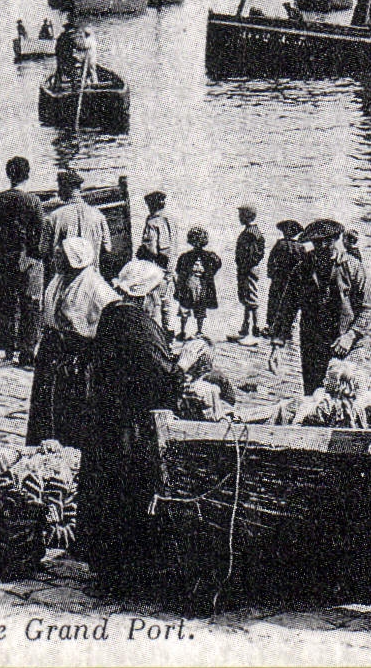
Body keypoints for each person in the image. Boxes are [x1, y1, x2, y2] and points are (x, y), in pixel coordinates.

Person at [76, 258, 185, 595]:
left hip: (106, 418)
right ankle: (127, 574)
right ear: (145, 294)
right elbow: (159, 380)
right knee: (129, 492)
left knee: (105, 490)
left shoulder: (113, 314)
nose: (162, 300)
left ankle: (107, 566)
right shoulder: (137, 324)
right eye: (159, 293)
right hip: (129, 424)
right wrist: (184, 367)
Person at [26, 235, 117, 448]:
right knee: (44, 402)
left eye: (59, 256)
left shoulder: (95, 286)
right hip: (52, 348)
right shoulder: (58, 280)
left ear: (73, 259)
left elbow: (111, 315)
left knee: (70, 406)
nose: (54, 259)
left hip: (77, 352)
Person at [289, 219, 362, 396]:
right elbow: (288, 305)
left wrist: (351, 335)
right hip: (312, 341)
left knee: (342, 392)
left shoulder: (352, 266)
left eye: (327, 241)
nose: (321, 246)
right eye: (316, 242)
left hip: (343, 341)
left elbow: (369, 308)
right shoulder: (302, 268)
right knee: (313, 393)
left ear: (336, 239)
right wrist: (278, 343)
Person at [0, 156, 45, 367]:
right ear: (27, 174)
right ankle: (27, 351)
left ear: (8, 174)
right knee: (31, 305)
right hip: (29, 258)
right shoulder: (33, 201)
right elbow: (40, 231)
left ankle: (8, 349)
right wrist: (37, 252)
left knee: (8, 303)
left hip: (5, 256)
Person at [40, 170, 111, 287]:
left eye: (60, 187)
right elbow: (107, 248)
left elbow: (43, 250)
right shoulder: (98, 215)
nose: (58, 192)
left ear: (65, 189)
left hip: (65, 282)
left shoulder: (53, 217)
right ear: (79, 189)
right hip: (92, 278)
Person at [276, 358, 370, 428]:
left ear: (337, 384)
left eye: (328, 379)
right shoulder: (324, 395)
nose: (324, 381)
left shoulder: (329, 404)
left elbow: (303, 413)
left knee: (285, 407)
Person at [138, 190, 177, 335]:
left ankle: (154, 335)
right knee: (167, 303)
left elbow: (152, 249)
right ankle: (170, 334)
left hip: (156, 266)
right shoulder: (170, 219)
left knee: (153, 303)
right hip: (169, 265)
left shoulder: (153, 222)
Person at [173, 226, 221, 341]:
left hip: (198, 283)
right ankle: (187, 331)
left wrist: (208, 274)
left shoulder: (189, 256)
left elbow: (179, 270)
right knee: (187, 307)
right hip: (192, 283)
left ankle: (192, 331)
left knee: (196, 307)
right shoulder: (204, 256)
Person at [264, 220, 305, 349]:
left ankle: (271, 326)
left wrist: (271, 274)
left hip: (279, 279)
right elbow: (304, 265)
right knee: (290, 304)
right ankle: (287, 329)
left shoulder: (280, 244)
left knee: (275, 301)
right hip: (293, 280)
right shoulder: (301, 247)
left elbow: (271, 261)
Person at [231, 205, 266, 345]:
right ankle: (245, 329)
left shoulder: (252, 233)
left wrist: (246, 265)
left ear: (247, 216)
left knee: (251, 297)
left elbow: (256, 254)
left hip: (249, 269)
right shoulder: (250, 231)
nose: (239, 218)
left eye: (241, 215)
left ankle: (255, 331)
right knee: (246, 298)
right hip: (245, 269)